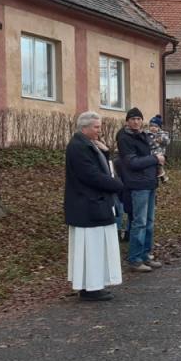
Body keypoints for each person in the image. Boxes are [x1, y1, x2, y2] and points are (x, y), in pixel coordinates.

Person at [65, 111, 125, 301]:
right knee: (90, 249)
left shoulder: (88, 145)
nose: (99, 131)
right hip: (87, 205)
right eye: (96, 127)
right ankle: (90, 288)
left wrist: (105, 152)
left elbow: (103, 168)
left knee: (97, 248)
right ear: (85, 127)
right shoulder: (78, 147)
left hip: (94, 203)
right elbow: (91, 175)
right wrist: (117, 185)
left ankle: (94, 285)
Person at [117, 108, 164, 272]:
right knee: (139, 222)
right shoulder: (124, 137)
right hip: (137, 184)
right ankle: (135, 259)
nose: (136, 122)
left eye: (138, 118)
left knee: (149, 223)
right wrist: (154, 159)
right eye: (133, 119)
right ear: (127, 121)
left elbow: (153, 153)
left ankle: (145, 255)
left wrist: (157, 163)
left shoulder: (144, 135)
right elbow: (132, 163)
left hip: (150, 182)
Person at [147, 115, 171, 184]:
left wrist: (161, 140)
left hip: (159, 153)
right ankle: (161, 177)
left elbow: (167, 142)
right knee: (154, 167)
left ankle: (162, 176)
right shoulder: (147, 134)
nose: (153, 128)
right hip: (150, 153)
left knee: (158, 165)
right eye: (151, 126)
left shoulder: (162, 134)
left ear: (159, 128)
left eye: (155, 126)